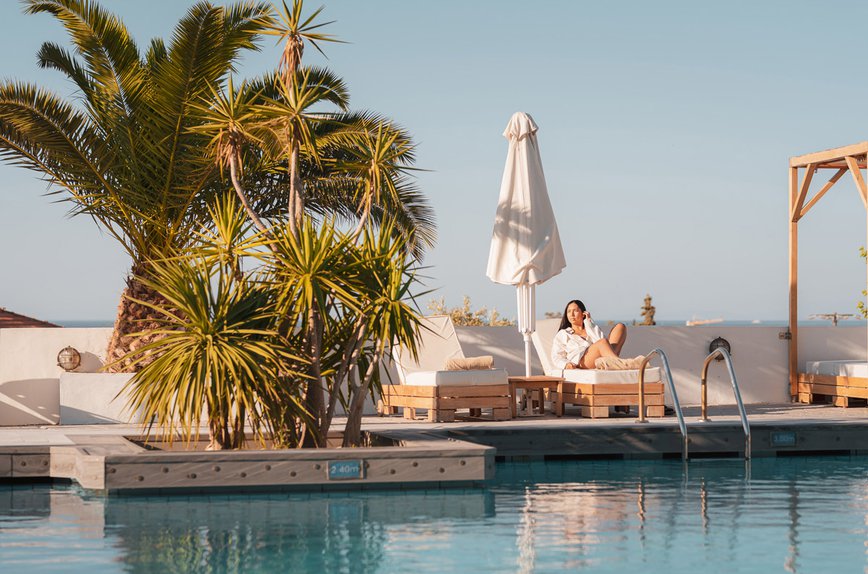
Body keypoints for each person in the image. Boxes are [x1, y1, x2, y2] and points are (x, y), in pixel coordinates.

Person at [551, 299, 645, 370]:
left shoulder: (590, 327)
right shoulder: (563, 334)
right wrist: (566, 364)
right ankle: (623, 364)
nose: (571, 314)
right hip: (582, 361)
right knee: (602, 343)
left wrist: (589, 323)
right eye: (568, 311)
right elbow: (556, 356)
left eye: (575, 311)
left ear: (583, 313)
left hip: (600, 357)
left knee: (620, 327)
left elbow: (600, 340)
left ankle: (613, 363)